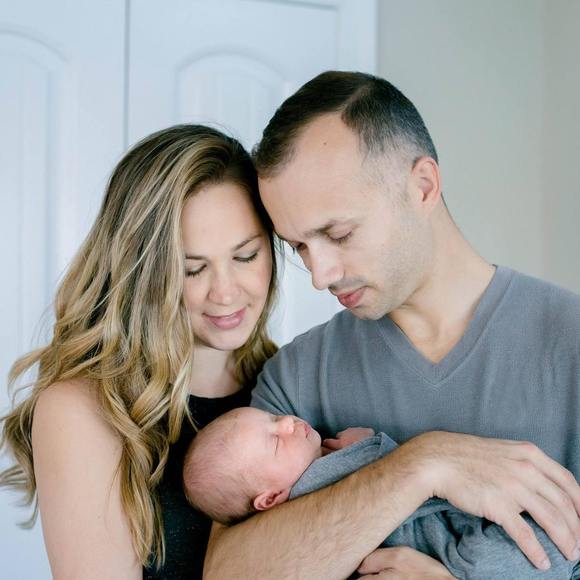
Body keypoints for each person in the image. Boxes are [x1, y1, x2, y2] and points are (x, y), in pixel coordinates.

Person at [203, 71, 580, 579]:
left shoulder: (570, 343)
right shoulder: (298, 377)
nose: (320, 275)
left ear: (422, 187)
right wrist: (421, 464)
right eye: (299, 247)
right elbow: (229, 574)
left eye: (339, 233)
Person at [0, 124, 279, 579]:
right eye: (192, 269)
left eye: (246, 256)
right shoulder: (84, 409)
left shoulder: (291, 379)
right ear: (142, 272)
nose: (226, 292)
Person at [183, 407, 579, 579]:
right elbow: (381, 471)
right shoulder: (309, 491)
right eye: (274, 440)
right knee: (518, 552)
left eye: (273, 418)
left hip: (450, 532)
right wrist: (368, 446)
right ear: (270, 500)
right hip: (451, 550)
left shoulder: (319, 461)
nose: (287, 422)